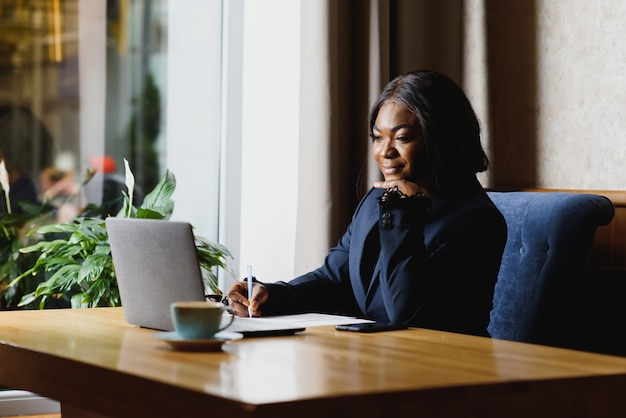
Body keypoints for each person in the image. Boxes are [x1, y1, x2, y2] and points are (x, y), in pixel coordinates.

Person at [227, 70, 507, 337]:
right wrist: (268, 295)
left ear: (441, 139)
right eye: (377, 137)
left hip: (446, 369)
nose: (384, 152)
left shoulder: (476, 220)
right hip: (377, 359)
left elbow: (408, 316)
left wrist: (401, 211)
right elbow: (334, 279)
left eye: (402, 138)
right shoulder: (379, 201)